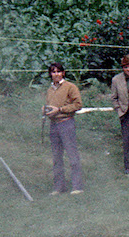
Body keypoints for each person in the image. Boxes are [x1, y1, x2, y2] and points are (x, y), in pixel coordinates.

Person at [44, 62, 83, 194]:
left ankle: (77, 187)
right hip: (53, 125)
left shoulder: (70, 87)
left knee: (72, 155)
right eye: (53, 72)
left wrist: (60, 109)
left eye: (58, 72)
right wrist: (46, 109)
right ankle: (59, 187)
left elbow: (78, 104)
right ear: (50, 74)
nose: (56, 74)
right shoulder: (50, 90)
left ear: (63, 73)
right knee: (56, 157)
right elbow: (50, 106)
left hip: (66, 123)